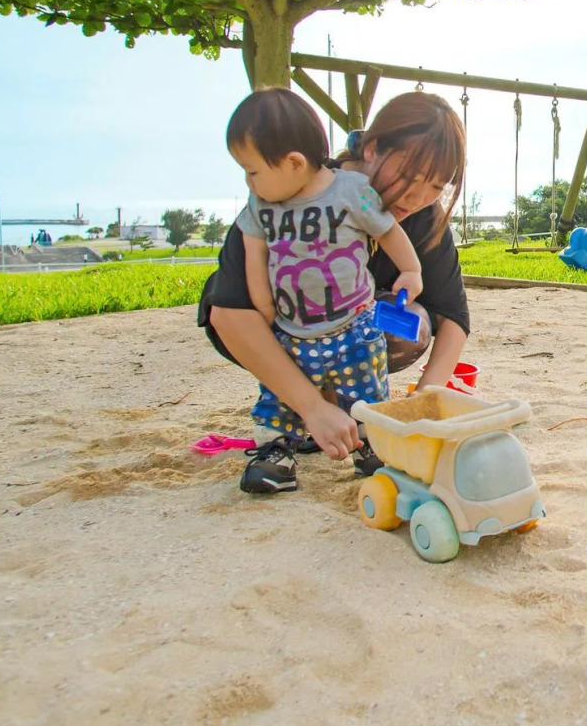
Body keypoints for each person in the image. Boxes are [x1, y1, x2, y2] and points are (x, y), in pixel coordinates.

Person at [198, 89, 472, 493]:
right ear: (373, 147)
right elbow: (226, 313)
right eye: (409, 177)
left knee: (412, 323)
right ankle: (304, 412)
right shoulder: (293, 188)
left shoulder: (421, 216)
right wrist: (310, 407)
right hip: (283, 330)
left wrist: (423, 404)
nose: (418, 197)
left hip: (356, 335)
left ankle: (351, 412)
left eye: (435, 185)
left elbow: (453, 317)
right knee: (254, 331)